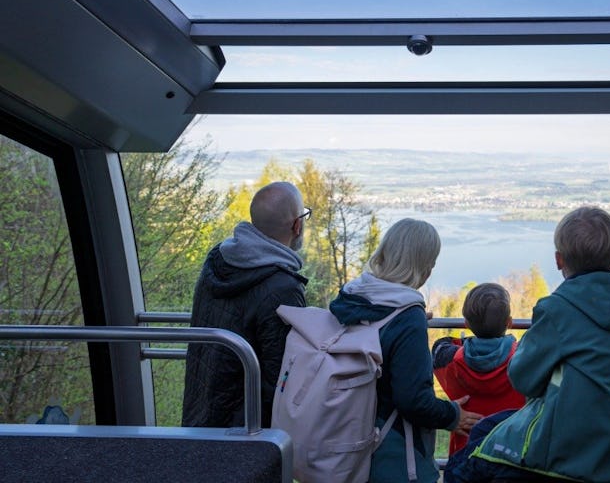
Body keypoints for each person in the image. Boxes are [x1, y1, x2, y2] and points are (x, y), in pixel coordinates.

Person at [446, 206, 610, 483]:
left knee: (460, 468)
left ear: (558, 260)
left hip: (563, 452)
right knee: (488, 427)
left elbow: (523, 379)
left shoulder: (557, 311)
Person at [328, 218, 483, 483]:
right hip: (392, 454)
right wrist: (452, 416)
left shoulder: (354, 296)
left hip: (347, 436)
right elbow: (413, 399)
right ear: (424, 264)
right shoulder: (407, 317)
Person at [182, 181, 309, 429]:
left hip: (201, 415)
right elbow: (282, 377)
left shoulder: (218, 260)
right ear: (297, 225)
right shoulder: (283, 288)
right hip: (245, 432)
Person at [431, 283, 526, 456]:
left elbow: (440, 346)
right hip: (512, 456)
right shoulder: (525, 360)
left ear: (466, 324)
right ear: (509, 323)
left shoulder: (450, 361)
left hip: (465, 459)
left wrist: (472, 342)